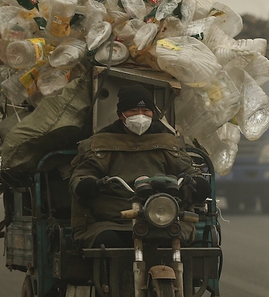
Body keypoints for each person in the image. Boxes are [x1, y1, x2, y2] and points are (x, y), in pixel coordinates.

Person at [69, 84, 211, 248]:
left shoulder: (167, 142)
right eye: (133, 111)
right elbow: (83, 173)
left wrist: (197, 183)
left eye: (145, 111)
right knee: (107, 242)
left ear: (153, 113)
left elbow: (187, 170)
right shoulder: (101, 143)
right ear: (120, 115)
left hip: (164, 216)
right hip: (114, 220)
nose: (140, 116)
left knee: (179, 241)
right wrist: (86, 184)